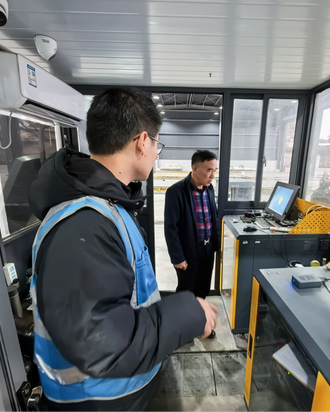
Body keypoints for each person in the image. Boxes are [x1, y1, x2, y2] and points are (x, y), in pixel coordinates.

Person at [28, 88, 218, 412]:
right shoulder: (84, 224)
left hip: (117, 389)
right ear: (143, 142)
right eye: (157, 144)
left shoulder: (111, 205)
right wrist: (186, 313)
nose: (156, 153)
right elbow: (99, 341)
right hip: (97, 400)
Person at [164, 150, 219, 339]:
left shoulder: (210, 189)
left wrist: (216, 245)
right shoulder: (176, 191)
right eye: (209, 170)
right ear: (195, 168)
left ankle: (199, 324)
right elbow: (171, 228)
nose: (213, 175)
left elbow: (213, 217)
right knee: (186, 291)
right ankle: (182, 328)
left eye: (214, 170)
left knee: (202, 289)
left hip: (207, 249)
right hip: (188, 251)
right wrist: (177, 257)